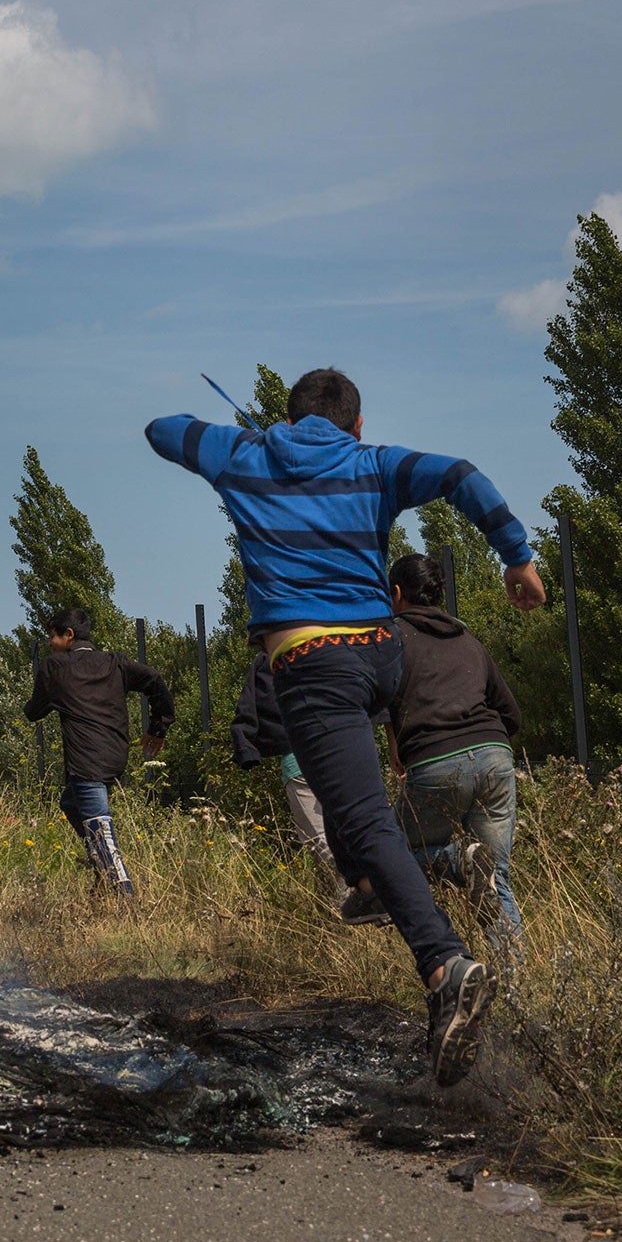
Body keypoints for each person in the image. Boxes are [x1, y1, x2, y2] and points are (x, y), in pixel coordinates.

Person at [147, 367, 545, 1086]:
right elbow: (461, 473)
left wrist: (252, 443)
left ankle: (445, 966)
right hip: (381, 657)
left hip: (314, 663)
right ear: (357, 425)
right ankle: (398, 879)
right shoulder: (375, 463)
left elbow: (162, 430)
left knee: (361, 823)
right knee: (354, 835)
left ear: (290, 418)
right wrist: (516, 555)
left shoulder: (245, 457)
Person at [381, 553, 525, 950]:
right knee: (497, 879)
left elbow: (378, 699)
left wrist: (398, 744)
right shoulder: (468, 640)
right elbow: (510, 713)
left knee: (385, 858)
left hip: (434, 760)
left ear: (396, 593)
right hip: (496, 756)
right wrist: (486, 746)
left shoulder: (391, 639)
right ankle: (517, 985)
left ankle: (453, 861)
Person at [23, 608, 173, 897]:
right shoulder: (115, 663)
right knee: (70, 802)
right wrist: (158, 727)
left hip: (86, 761)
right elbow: (154, 679)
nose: (50, 642)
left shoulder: (55, 667)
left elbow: (35, 711)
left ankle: (123, 897)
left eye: (53, 636)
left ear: (68, 635)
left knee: (99, 827)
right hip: (116, 755)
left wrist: (34, 707)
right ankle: (102, 869)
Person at [229, 652, 336, 872]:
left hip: (303, 761)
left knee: (321, 844)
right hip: (343, 753)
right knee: (345, 838)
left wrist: (246, 745)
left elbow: (250, 703)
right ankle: (348, 900)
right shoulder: (336, 644)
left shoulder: (271, 654)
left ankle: (351, 899)